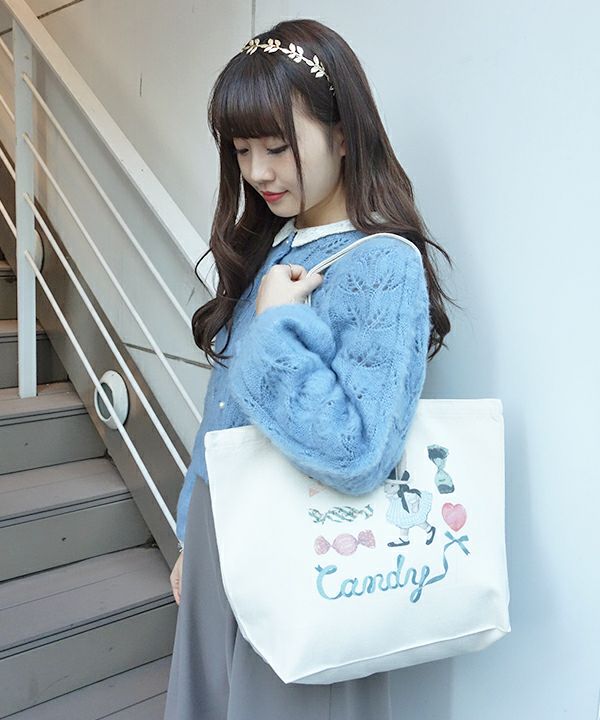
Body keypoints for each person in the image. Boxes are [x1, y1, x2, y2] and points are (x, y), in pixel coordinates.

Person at [163, 16, 455, 720]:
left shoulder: (383, 263)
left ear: (344, 135)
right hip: (223, 539)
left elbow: (361, 452)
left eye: (277, 147)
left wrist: (272, 330)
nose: (257, 172)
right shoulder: (274, 246)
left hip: (306, 554)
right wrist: (192, 534)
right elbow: (226, 415)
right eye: (241, 150)